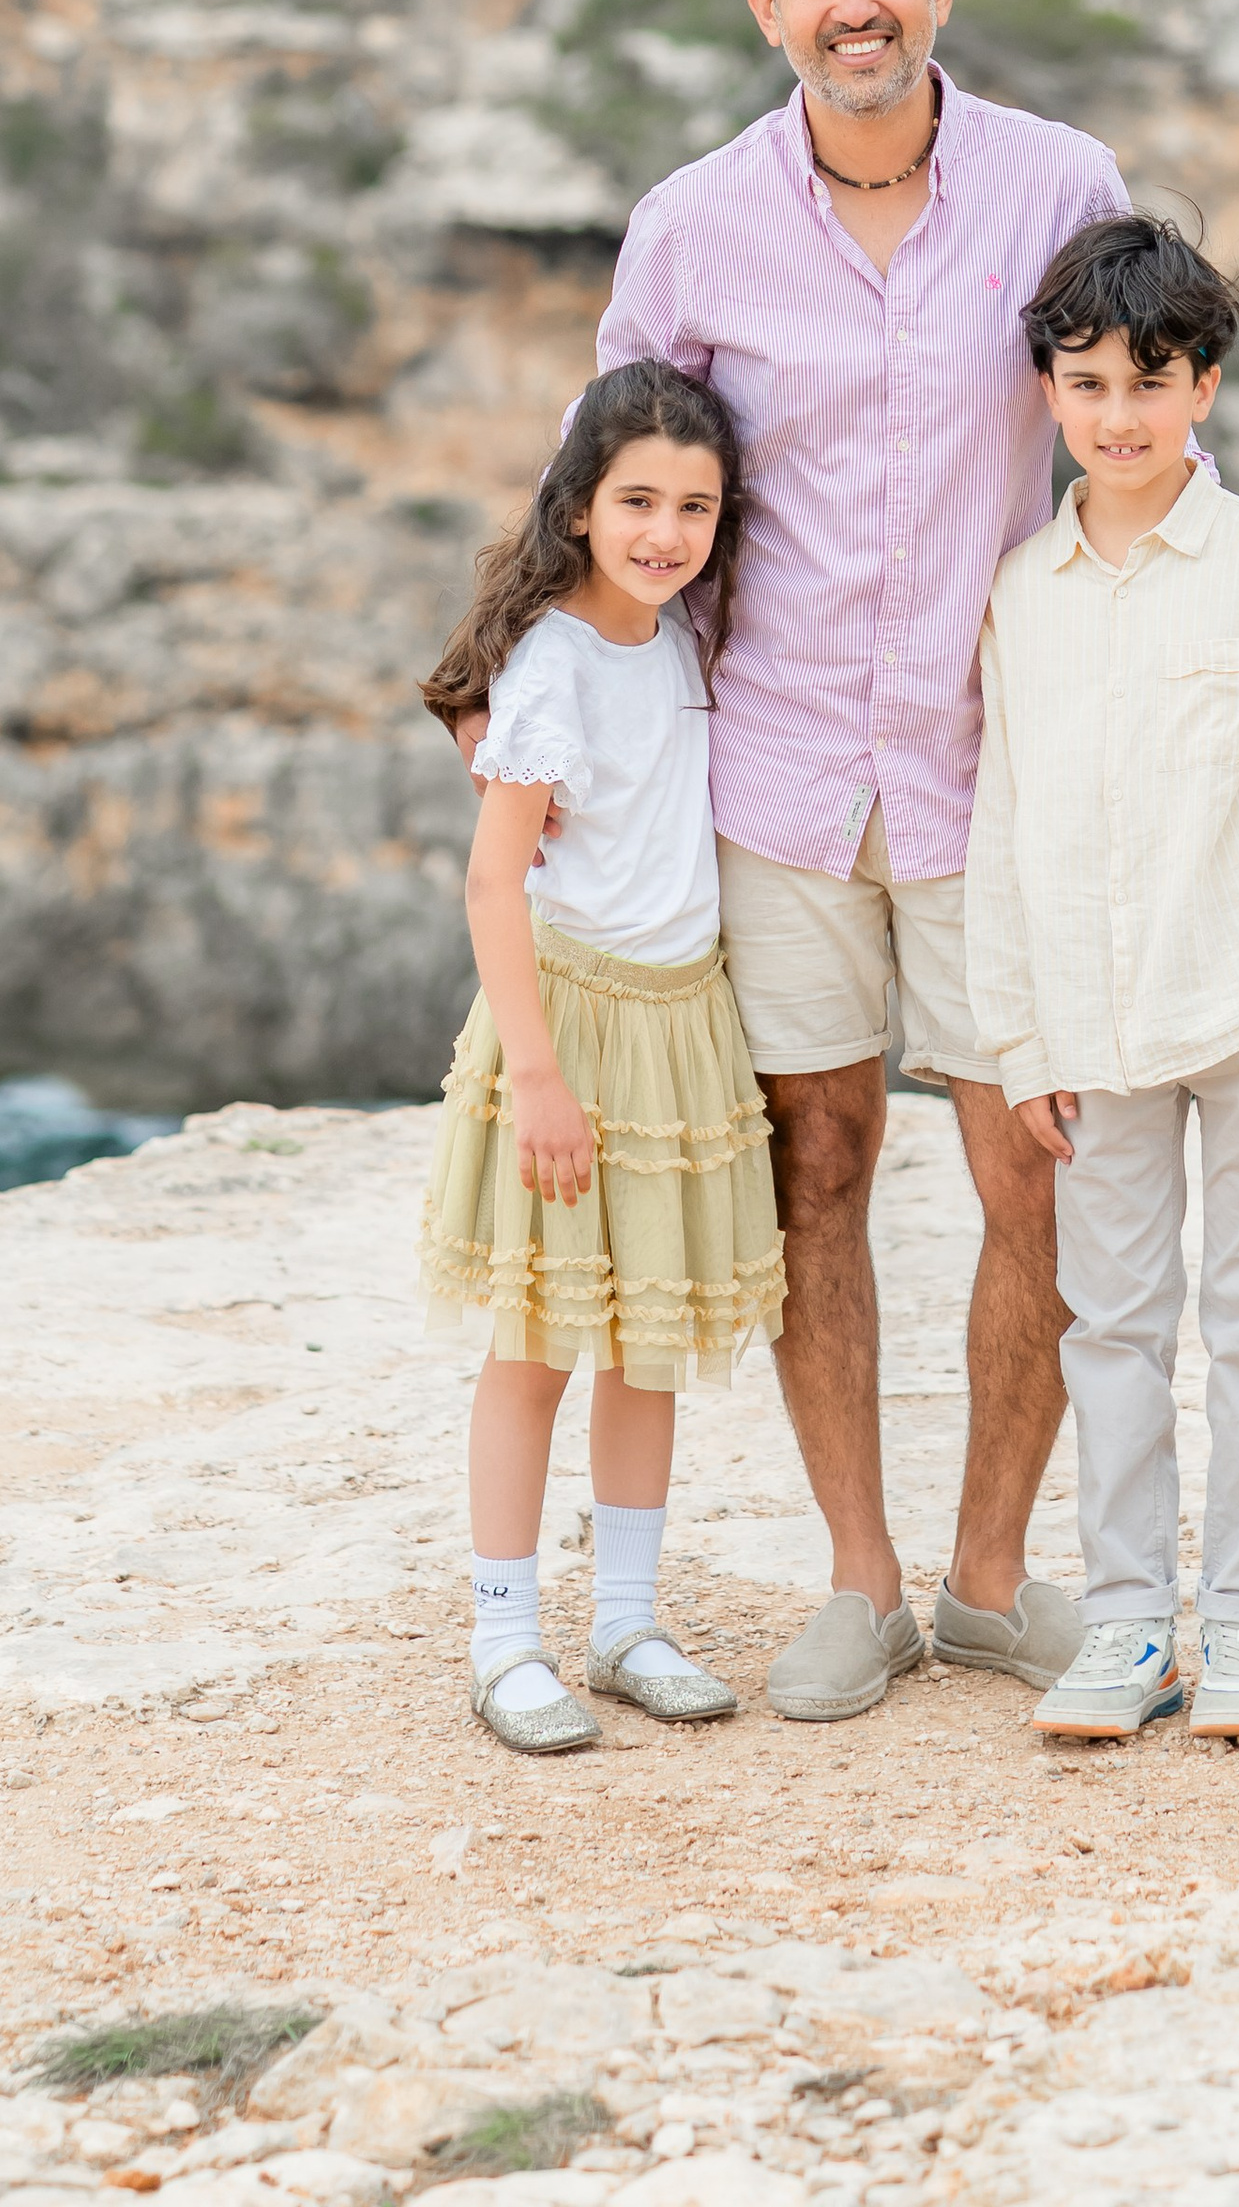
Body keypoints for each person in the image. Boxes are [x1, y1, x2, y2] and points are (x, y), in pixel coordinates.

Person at [588, 0, 1137, 1724]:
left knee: (1038, 1179)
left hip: (1006, 769)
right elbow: (617, 492)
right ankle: (861, 1577)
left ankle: (990, 1578)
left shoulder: (1059, 180)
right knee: (815, 1168)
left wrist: (1214, 652)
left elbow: (1126, 423)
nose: (853, 5)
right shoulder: (692, 224)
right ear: (766, 7)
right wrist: (541, 700)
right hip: (781, 770)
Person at [964, 216, 1239, 1744]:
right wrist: (1014, 1031)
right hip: (1091, 1020)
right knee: (1112, 1323)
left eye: (1152, 381)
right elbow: (1004, 816)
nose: (1119, 413)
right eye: (1087, 382)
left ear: (1206, 385)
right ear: (1047, 389)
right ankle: (1127, 1624)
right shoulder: (1023, 590)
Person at [418, 361, 784, 1756]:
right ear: (581, 505)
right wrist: (541, 1077)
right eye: (637, 497)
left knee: (650, 1346)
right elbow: (491, 883)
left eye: (694, 504)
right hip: (568, 1024)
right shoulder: (558, 662)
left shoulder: (684, 633)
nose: (665, 527)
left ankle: (626, 1619)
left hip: (684, 1016)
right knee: (537, 1342)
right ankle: (505, 1634)